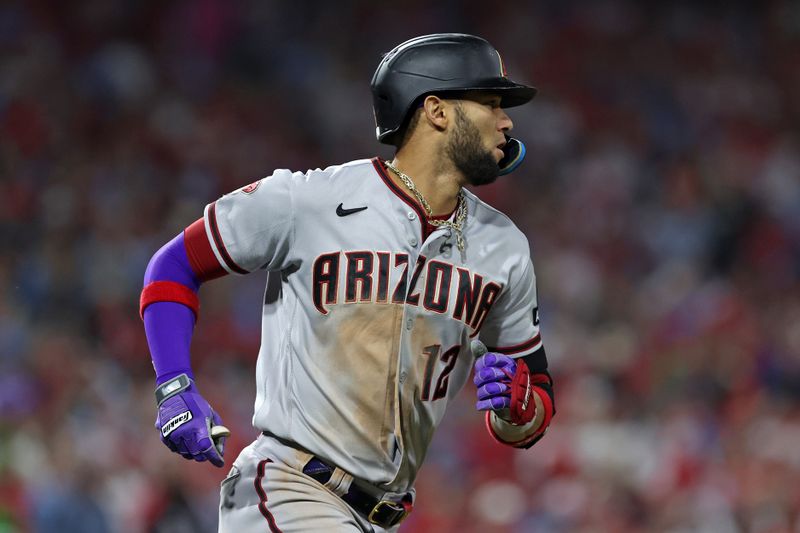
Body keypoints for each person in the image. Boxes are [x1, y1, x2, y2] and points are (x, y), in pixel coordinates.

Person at [140, 33, 555, 532]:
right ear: (437, 111)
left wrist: (518, 404)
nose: (506, 120)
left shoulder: (504, 247)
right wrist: (173, 384)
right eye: (490, 103)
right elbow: (173, 264)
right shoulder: (307, 202)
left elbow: (534, 400)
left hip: (383, 516)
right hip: (290, 488)